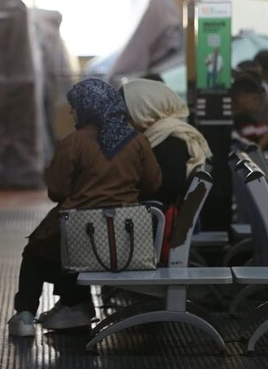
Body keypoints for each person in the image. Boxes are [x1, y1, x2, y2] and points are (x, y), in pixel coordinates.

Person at [8, 78, 161, 337]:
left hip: (81, 232)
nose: (71, 112)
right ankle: (72, 304)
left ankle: (26, 314)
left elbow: (56, 191)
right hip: (127, 237)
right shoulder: (137, 141)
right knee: (59, 246)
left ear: (88, 109)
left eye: (75, 107)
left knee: (37, 251)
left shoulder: (74, 142)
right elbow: (153, 184)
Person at [121, 79, 213, 206]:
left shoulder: (172, 141)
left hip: (154, 216)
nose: (122, 120)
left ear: (145, 110)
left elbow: (165, 191)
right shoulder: (159, 134)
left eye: (126, 113)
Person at [228, 75, 268, 149]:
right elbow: (253, 149)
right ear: (241, 97)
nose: (257, 103)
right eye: (254, 99)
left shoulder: (247, 118)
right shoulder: (241, 120)